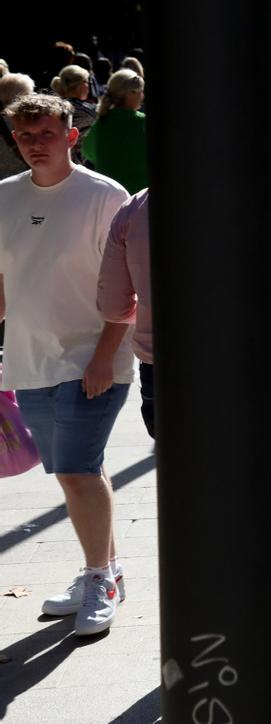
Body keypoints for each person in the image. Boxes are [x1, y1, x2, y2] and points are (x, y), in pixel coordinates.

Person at [0, 93, 134, 636]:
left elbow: (128, 284)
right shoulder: (4, 197)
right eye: (25, 137)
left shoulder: (105, 196)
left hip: (91, 357)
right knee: (80, 471)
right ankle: (109, 569)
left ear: (72, 135)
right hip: (29, 359)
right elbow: (4, 285)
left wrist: (105, 356)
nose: (35, 145)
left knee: (77, 472)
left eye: (46, 135)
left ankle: (97, 576)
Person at [99, 190, 271, 438]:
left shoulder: (133, 209)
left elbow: (113, 308)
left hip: (160, 370)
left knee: (180, 468)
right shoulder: (256, 199)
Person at [81, 68, 147, 194]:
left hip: (108, 195)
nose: (142, 96)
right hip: (139, 197)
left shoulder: (101, 123)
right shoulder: (143, 123)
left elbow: (87, 151)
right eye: (141, 91)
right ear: (132, 92)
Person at [52, 64, 97, 139]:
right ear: (78, 85)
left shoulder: (56, 105)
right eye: (86, 81)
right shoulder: (81, 112)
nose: (88, 85)